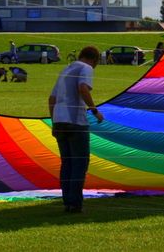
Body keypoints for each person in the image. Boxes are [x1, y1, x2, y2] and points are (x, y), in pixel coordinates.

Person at [48, 46, 103, 213]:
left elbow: (51, 99)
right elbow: (83, 88)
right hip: (75, 122)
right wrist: (94, 110)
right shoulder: (85, 68)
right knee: (80, 163)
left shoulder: (65, 69)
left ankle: (67, 202)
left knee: (67, 164)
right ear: (94, 60)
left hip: (59, 121)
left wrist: (54, 122)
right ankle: (75, 204)